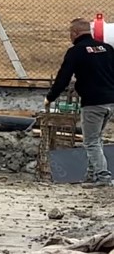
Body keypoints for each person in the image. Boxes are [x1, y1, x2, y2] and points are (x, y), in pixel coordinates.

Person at [46, 18, 114, 187]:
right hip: (111, 102)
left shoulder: (76, 51)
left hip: (93, 103)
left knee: (90, 141)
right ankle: (92, 176)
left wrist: (50, 97)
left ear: (75, 33)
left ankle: (103, 177)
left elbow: (63, 78)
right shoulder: (107, 48)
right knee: (96, 139)